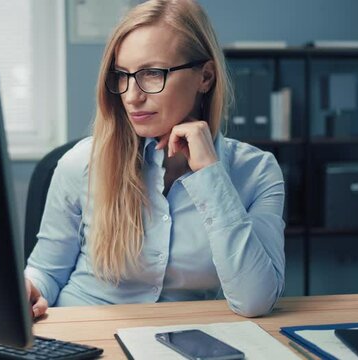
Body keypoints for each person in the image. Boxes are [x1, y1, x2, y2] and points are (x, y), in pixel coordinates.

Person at [25, 0, 285, 318]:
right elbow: (46, 272)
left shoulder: (257, 172)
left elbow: (256, 300)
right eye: (122, 76)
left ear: (205, 77)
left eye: (151, 73)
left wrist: (209, 175)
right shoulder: (80, 163)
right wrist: (32, 287)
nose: (132, 95)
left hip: (183, 341)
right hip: (86, 332)